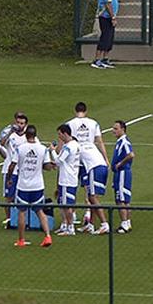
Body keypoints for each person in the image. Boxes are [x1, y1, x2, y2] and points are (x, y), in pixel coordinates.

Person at [6, 125, 55, 248]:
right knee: (40, 211)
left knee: (21, 212)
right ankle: (47, 236)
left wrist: (9, 179)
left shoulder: (20, 148)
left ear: (26, 136)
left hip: (23, 185)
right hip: (38, 185)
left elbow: (12, 165)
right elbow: (48, 167)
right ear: (35, 135)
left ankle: (21, 240)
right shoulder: (43, 149)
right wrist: (47, 165)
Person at [66, 101, 110, 235]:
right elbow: (100, 141)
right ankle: (90, 224)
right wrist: (106, 159)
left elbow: (66, 142)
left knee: (91, 196)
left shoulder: (70, 124)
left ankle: (104, 224)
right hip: (95, 161)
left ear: (75, 111)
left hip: (89, 165)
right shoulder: (93, 123)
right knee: (91, 195)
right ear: (86, 111)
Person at [0, 111, 30, 224]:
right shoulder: (8, 132)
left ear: (25, 124)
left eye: (22, 123)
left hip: (24, 170)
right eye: (18, 122)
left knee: (22, 195)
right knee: (9, 196)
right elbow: (1, 144)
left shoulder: (29, 134)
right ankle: (9, 218)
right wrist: (10, 132)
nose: (19, 125)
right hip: (9, 168)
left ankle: (22, 218)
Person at [51, 124, 81, 236]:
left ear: (65, 133)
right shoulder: (75, 145)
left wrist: (52, 151)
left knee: (67, 205)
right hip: (70, 177)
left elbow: (59, 161)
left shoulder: (69, 147)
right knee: (63, 203)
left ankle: (70, 227)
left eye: (59, 134)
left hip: (67, 179)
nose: (59, 137)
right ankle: (66, 226)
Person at [92, 0, 118, 70]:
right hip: (106, 16)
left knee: (109, 37)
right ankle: (97, 60)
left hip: (107, 15)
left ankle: (105, 59)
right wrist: (113, 17)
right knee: (105, 37)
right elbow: (108, 3)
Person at [111, 120, 134, 234]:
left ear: (122, 129)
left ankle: (124, 224)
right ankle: (127, 223)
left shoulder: (124, 142)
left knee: (121, 199)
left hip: (122, 173)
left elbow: (131, 154)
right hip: (122, 173)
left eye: (116, 129)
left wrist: (120, 164)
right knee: (125, 199)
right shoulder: (120, 142)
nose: (113, 131)